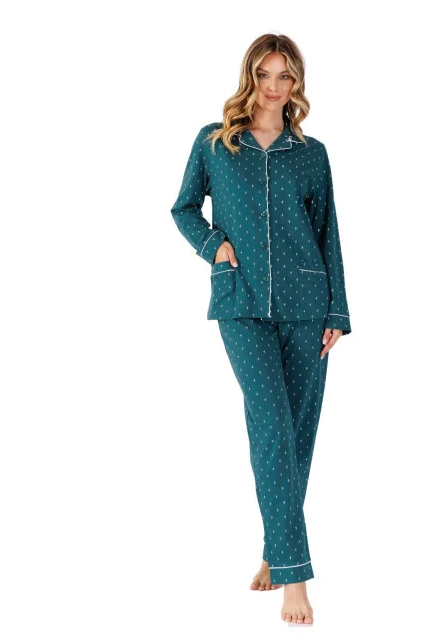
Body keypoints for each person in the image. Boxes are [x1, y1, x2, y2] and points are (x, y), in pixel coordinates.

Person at [170, 33, 351, 626]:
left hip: (307, 303)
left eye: (285, 76)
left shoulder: (312, 153)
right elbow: (183, 209)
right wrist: (215, 246)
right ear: (250, 76)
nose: (274, 87)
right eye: (265, 74)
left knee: (296, 435)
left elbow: (327, 232)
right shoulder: (216, 142)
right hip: (241, 301)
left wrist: (337, 313)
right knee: (271, 425)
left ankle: (276, 548)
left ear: (296, 83)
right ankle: (295, 577)